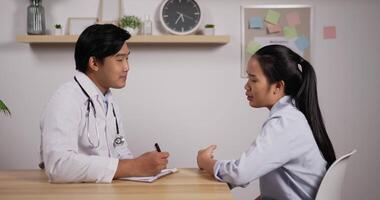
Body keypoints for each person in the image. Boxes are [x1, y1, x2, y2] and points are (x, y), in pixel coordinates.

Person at [197, 45, 336, 200]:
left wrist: (205, 162)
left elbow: (240, 174)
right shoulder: (291, 117)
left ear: (278, 86)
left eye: (253, 79)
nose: (246, 86)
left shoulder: (284, 123)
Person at [40, 24, 169, 183]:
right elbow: (58, 167)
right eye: (119, 59)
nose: (127, 67)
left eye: (127, 58)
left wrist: (145, 167)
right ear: (94, 63)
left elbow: (120, 150)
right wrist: (132, 166)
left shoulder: (108, 99)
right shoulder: (66, 99)